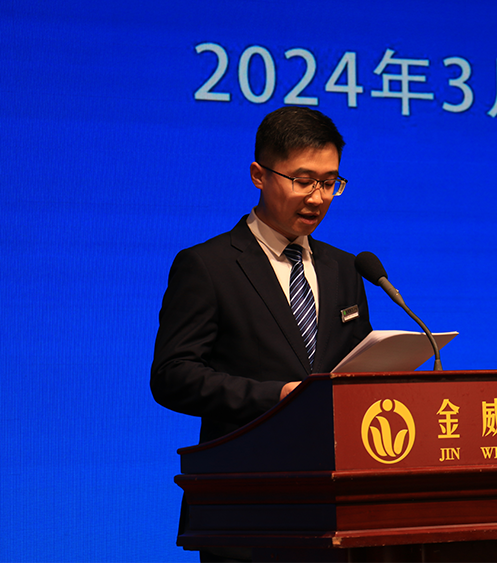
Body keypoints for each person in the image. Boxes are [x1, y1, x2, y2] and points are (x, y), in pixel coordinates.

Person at [150, 106, 373, 562]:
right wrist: (277, 396)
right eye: (303, 180)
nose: (318, 197)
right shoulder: (207, 266)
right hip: (247, 506)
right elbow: (173, 376)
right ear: (259, 175)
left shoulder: (347, 268)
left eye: (330, 182)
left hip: (339, 505)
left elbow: (357, 366)